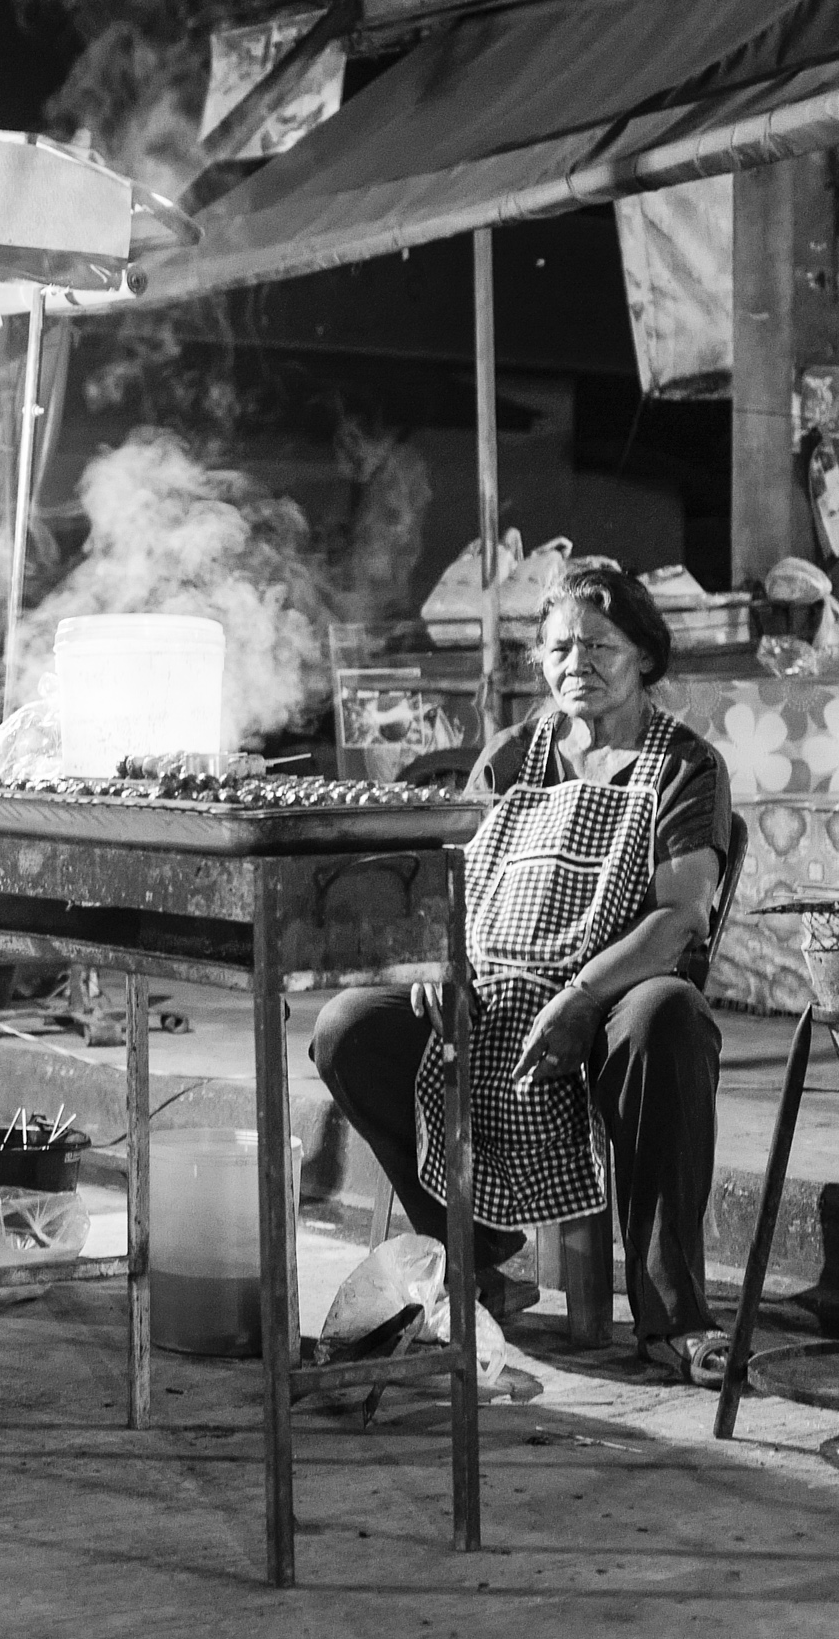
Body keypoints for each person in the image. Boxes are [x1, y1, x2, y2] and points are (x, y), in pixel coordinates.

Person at [310, 557, 736, 1382]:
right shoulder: (510, 757)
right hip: (495, 981)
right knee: (349, 1027)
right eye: (562, 648)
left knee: (666, 1021)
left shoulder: (687, 765)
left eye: (603, 645)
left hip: (613, 986)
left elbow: (678, 915)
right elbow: (452, 885)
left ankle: (672, 1315)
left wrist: (582, 996)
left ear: (646, 655)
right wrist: (441, 957)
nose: (580, 663)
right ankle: (481, 1253)